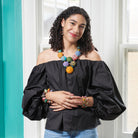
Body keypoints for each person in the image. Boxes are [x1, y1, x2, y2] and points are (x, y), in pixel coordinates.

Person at [22, 6, 126, 138]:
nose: (76, 30)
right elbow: (31, 95)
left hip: (86, 129)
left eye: (82, 26)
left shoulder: (92, 57)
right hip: (55, 129)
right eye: (73, 23)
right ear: (62, 22)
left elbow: (109, 97)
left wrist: (83, 101)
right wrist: (50, 96)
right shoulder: (45, 57)